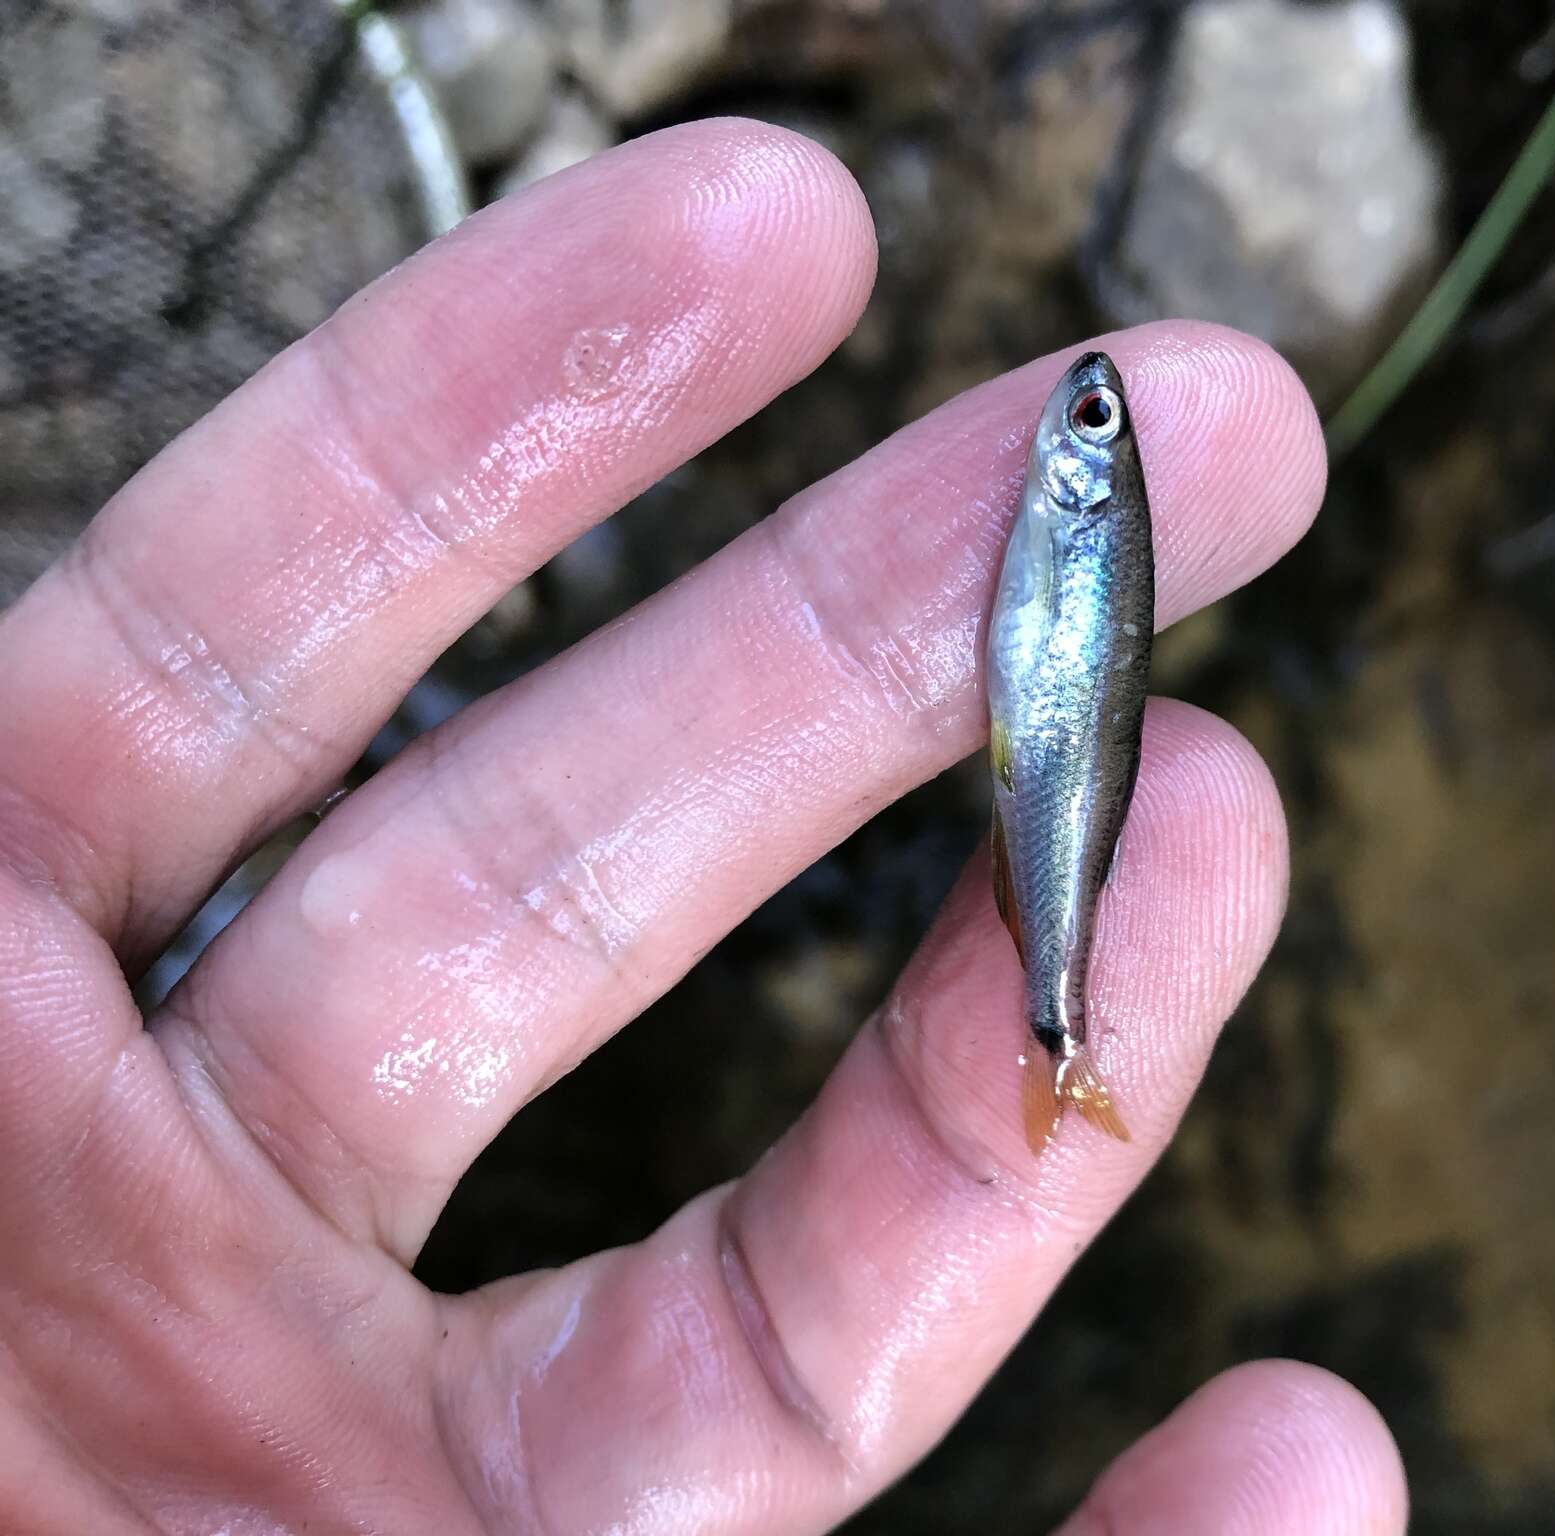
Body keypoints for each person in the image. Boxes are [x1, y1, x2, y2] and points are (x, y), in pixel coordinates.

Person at [0, 120, 1406, 1534]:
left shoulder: (1081, 506)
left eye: (1087, 426)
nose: (1078, 424)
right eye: (1089, 418)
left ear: (1082, 477)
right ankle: (1059, 1026)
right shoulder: (1072, 493)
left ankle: (1060, 1017)